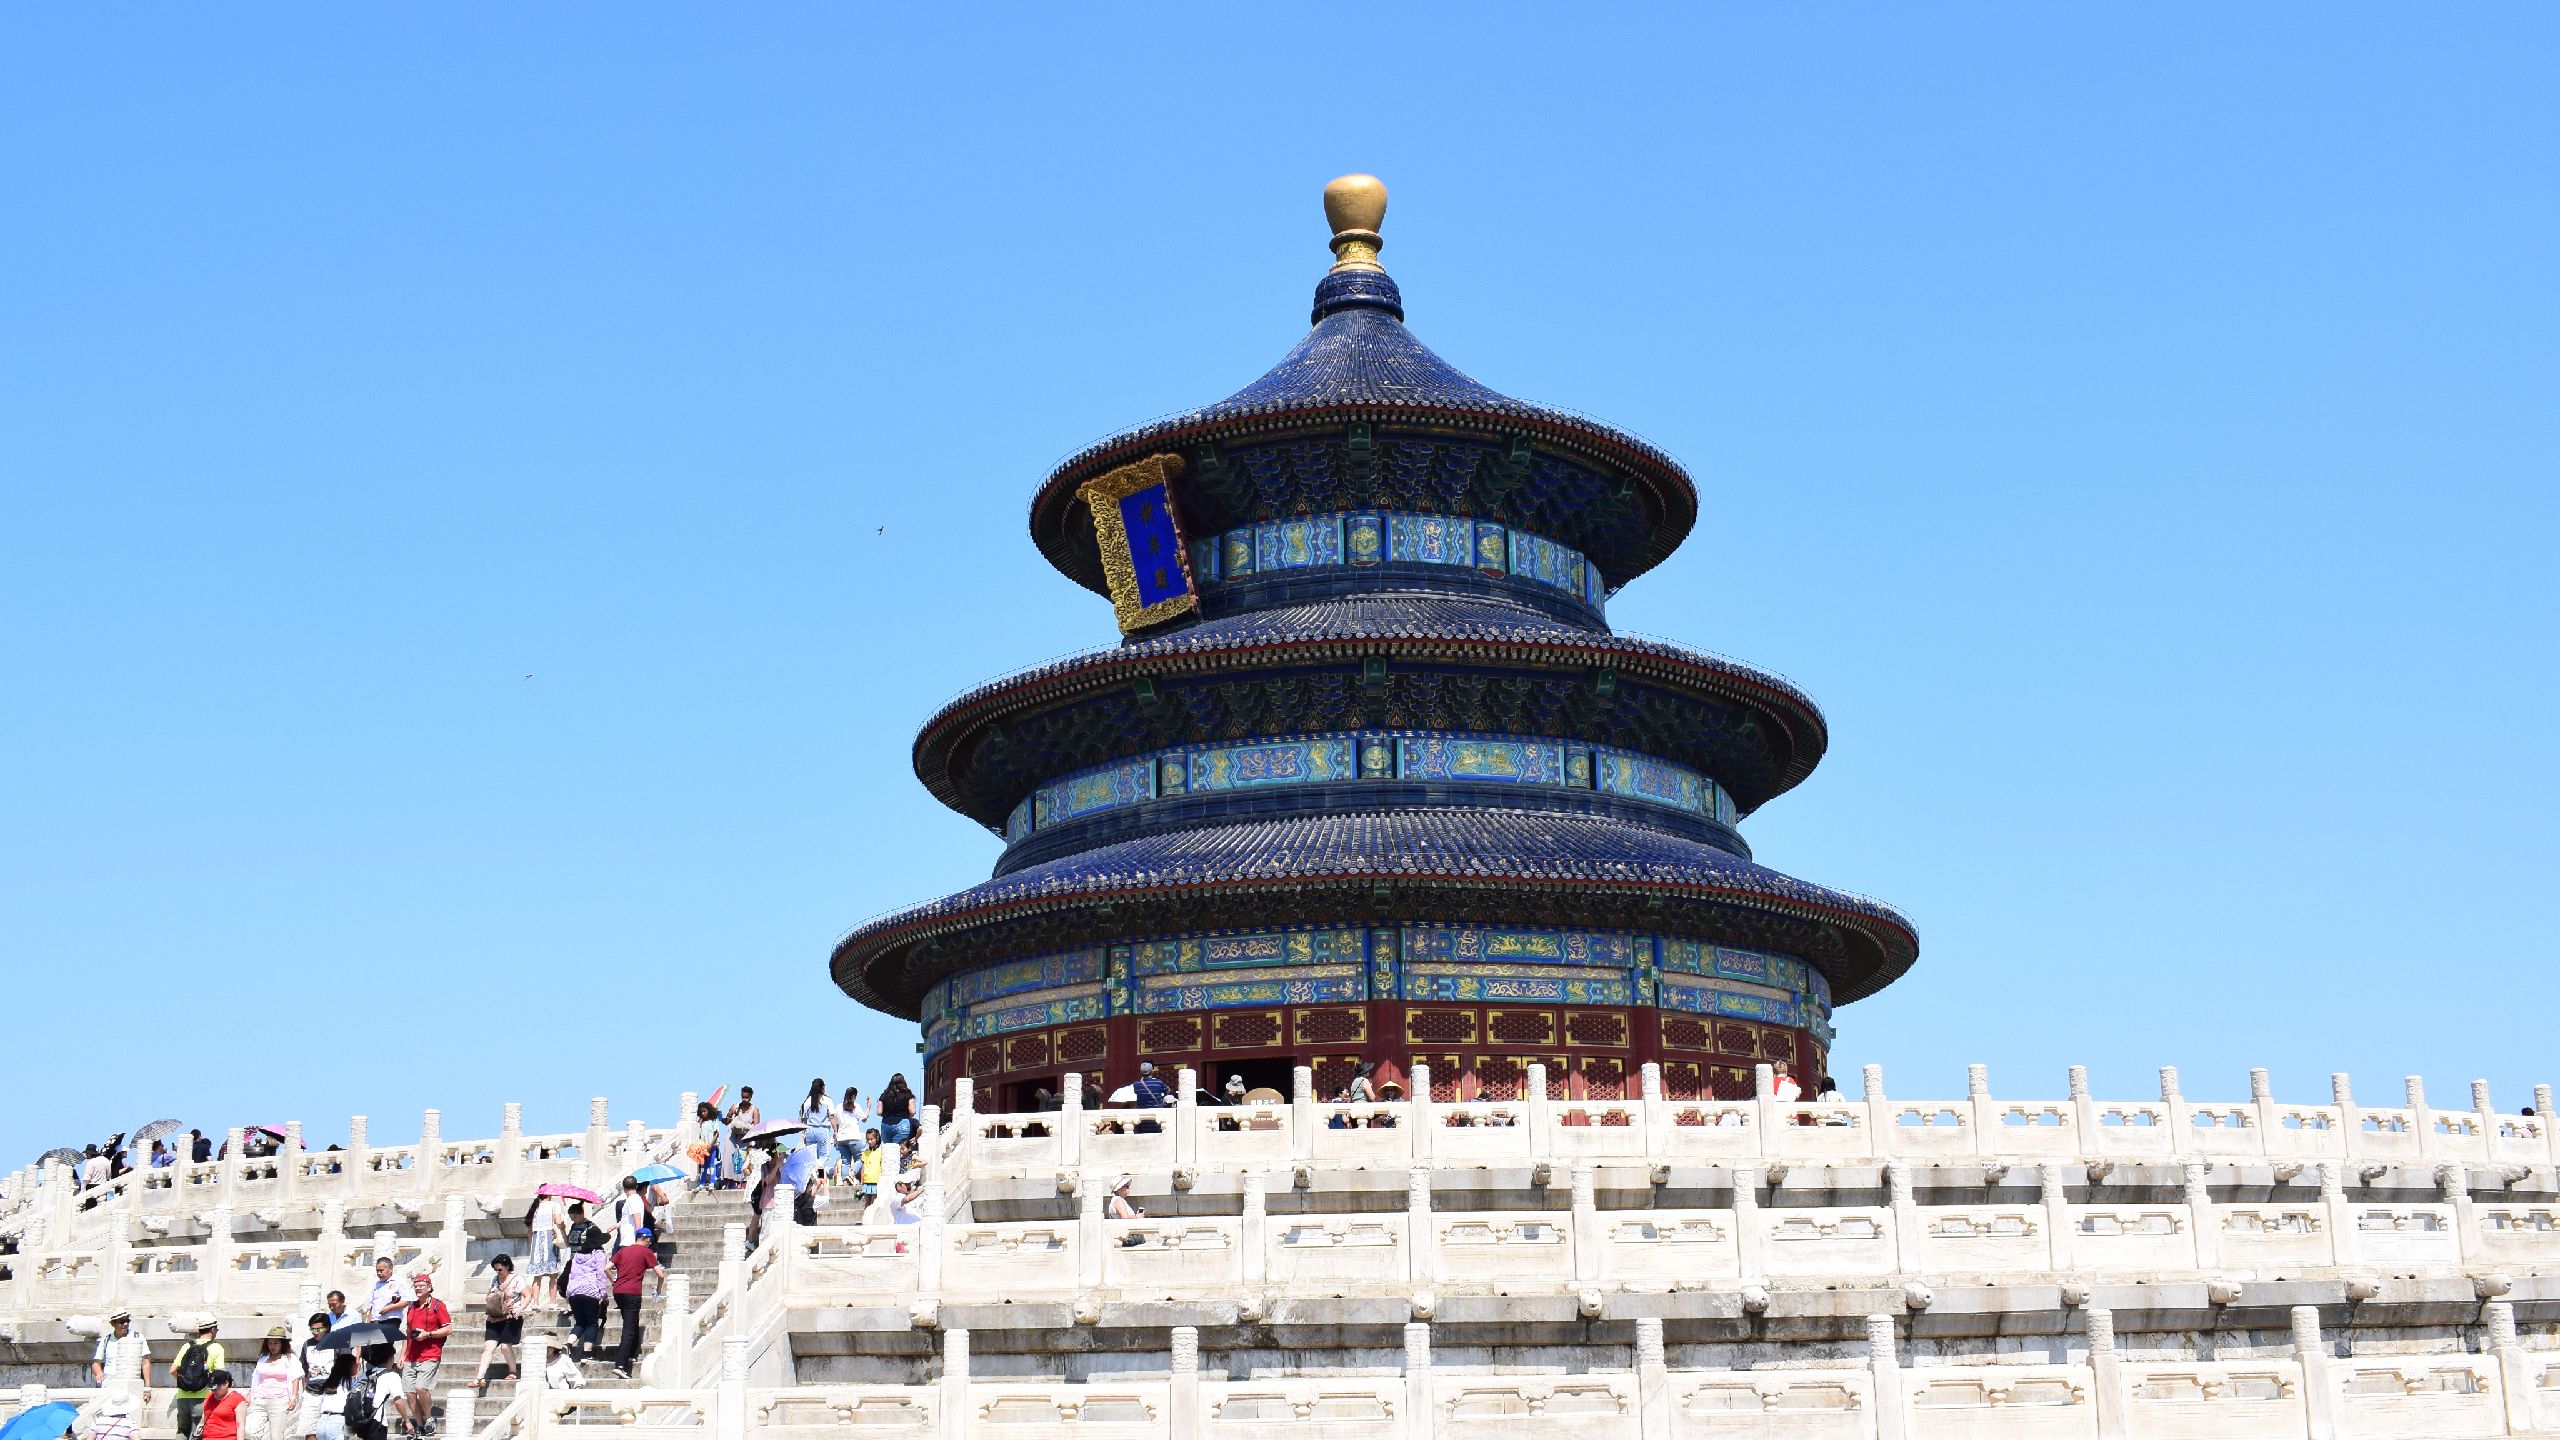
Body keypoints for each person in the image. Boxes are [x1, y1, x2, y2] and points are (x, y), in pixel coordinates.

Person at [397, 1271, 452, 1438]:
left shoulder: (437, 1305)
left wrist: (428, 1334)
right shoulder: (411, 1306)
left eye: (421, 1286)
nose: (418, 1289)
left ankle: (428, 1419)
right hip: (411, 1356)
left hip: (430, 1353)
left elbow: (448, 1329)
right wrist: (402, 1354)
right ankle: (419, 1424)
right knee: (409, 1393)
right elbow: (407, 1332)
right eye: (416, 1286)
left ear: (429, 1287)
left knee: (421, 1388)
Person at [89, 1308, 151, 1440]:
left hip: (129, 1386)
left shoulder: (137, 1337)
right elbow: (96, 1363)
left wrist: (147, 1387)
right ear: (113, 1324)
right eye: (122, 1322)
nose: (125, 1324)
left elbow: (145, 1362)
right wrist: (99, 1372)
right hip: (109, 1387)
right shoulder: (106, 1340)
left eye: (127, 1321)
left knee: (128, 1423)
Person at [607, 1237, 664, 1378]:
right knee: (629, 1330)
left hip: (618, 1291)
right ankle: (620, 1365)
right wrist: (659, 1288)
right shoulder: (646, 1251)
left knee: (631, 1323)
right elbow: (660, 1273)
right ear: (647, 1240)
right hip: (632, 1292)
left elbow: (606, 1268)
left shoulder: (623, 1250)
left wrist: (614, 1281)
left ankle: (631, 1352)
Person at [562, 1222, 613, 1363]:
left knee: (580, 1322)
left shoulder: (577, 1255)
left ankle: (567, 1345)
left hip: (574, 1292)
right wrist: (604, 1295)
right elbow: (600, 1276)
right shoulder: (599, 1254)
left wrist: (568, 1295)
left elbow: (571, 1275)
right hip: (590, 1292)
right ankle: (586, 1354)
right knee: (592, 1323)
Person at [471, 1253, 524, 1389]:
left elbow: (527, 1295)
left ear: (507, 1267)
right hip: (494, 1317)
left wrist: (520, 1309)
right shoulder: (494, 1280)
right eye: (496, 1269)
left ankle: (512, 1371)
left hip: (511, 1317)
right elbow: (488, 1295)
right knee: (487, 1348)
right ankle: (479, 1377)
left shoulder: (517, 1280)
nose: (498, 1272)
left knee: (505, 1347)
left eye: (500, 1269)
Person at [173, 1319, 227, 1440]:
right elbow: (220, 1374)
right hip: (203, 1397)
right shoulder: (216, 1347)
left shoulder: (187, 1346)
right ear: (213, 1330)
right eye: (217, 1329)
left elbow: (172, 1370)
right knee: (197, 1433)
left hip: (182, 1397)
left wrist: (186, 1382)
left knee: (181, 1432)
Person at [247, 1328, 300, 1440]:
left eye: (276, 1343)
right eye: (270, 1343)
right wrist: (250, 1394)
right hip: (261, 1399)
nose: (272, 1346)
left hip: (279, 1401)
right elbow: (256, 1377)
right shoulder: (263, 1358)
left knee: (276, 1435)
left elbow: (295, 1377)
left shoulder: (290, 1358)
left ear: (282, 1343)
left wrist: (293, 1397)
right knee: (252, 1431)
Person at [296, 1314, 338, 1438]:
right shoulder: (307, 1344)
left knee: (331, 1430)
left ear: (327, 1328)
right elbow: (302, 1367)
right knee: (309, 1429)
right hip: (312, 1393)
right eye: (312, 1329)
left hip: (332, 1393)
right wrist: (304, 1387)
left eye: (318, 1329)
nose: (315, 1333)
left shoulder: (337, 1343)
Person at [349, 1344, 401, 1440]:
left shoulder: (366, 1374)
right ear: (391, 1358)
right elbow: (398, 1402)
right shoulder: (392, 1376)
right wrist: (406, 1420)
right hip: (377, 1421)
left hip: (363, 1419)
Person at [525, 1193, 567, 1314]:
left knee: (537, 1276)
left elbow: (529, 1229)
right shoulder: (554, 1205)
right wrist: (563, 1224)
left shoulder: (535, 1207)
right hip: (549, 1239)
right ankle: (552, 1303)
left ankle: (536, 1303)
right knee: (553, 1275)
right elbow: (558, 1221)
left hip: (536, 1241)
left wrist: (532, 1244)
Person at [306, 1353, 357, 1440]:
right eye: (355, 1364)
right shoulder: (349, 1383)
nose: (356, 1367)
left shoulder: (330, 1382)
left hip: (322, 1422)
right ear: (350, 1366)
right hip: (338, 1422)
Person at [198, 1371, 247, 1440]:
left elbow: (240, 1427)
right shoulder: (210, 1397)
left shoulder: (237, 1400)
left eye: (216, 1388)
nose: (213, 1391)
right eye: (212, 1389)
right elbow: (204, 1417)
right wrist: (199, 1427)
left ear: (226, 1383)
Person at [833, 1087, 867, 1180]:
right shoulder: (856, 1106)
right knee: (861, 1159)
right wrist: (868, 1107)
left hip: (842, 1137)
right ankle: (852, 1174)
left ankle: (845, 1181)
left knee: (845, 1161)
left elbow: (836, 1122)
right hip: (854, 1136)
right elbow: (864, 1118)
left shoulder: (839, 1107)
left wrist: (835, 1133)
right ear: (854, 1096)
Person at [362, 1256, 406, 1326]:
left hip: (391, 1320)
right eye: (377, 1271)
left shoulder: (399, 1282)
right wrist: (368, 1324)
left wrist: (389, 1308)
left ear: (390, 1269)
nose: (379, 1273)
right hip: (375, 1321)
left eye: (381, 1270)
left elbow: (406, 1301)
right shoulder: (377, 1284)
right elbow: (372, 1306)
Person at [875, 1075, 916, 1146]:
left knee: (888, 1152)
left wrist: (887, 1114)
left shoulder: (884, 1095)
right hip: (902, 1123)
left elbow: (879, 1112)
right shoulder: (907, 1094)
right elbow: (912, 1111)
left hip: (886, 1124)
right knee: (898, 1152)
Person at [1108, 1175, 1145, 1246]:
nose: (1128, 1189)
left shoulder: (1116, 1200)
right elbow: (1124, 1217)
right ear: (1119, 1189)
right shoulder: (1119, 1200)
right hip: (1127, 1237)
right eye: (1126, 1187)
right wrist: (1137, 1216)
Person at [856, 1129, 885, 1203]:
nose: (869, 1141)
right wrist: (861, 1183)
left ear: (877, 1138)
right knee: (867, 1203)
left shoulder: (881, 1152)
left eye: (871, 1139)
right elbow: (863, 1168)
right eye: (868, 1139)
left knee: (874, 1204)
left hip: (876, 1182)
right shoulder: (865, 1153)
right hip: (866, 1182)